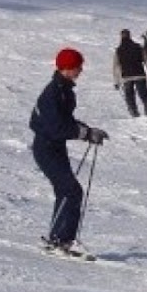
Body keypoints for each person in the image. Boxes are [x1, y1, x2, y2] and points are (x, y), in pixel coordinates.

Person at [28, 48, 109, 259]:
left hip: (55, 146)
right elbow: (56, 127)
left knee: (67, 191)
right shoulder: (53, 92)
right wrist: (86, 133)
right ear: (66, 68)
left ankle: (60, 239)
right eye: (77, 67)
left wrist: (88, 131)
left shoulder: (63, 90)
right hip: (46, 147)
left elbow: (66, 122)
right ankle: (60, 241)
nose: (81, 70)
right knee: (71, 190)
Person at [113, 30, 147, 117]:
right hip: (139, 75)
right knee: (144, 95)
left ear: (121, 37)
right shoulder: (138, 47)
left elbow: (116, 67)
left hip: (127, 77)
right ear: (130, 36)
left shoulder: (119, 50)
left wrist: (116, 82)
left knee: (129, 96)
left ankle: (134, 113)